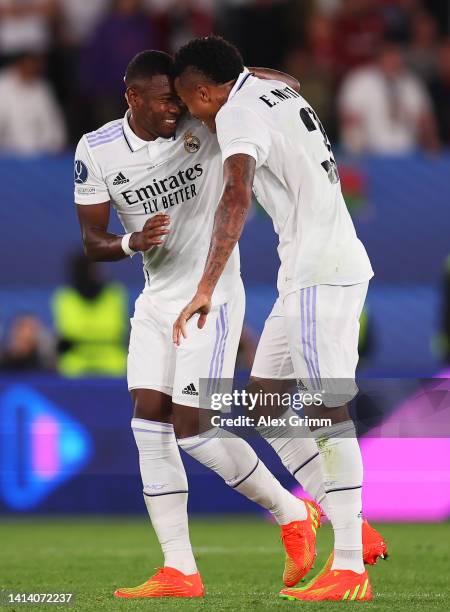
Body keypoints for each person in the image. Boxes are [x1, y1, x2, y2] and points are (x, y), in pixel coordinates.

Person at [74, 49, 323, 600]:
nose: (177, 109)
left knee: (193, 426)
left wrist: (242, 73)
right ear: (132, 96)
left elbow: (288, 82)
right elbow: (92, 243)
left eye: (181, 98)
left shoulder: (206, 123)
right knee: (148, 423)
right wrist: (129, 241)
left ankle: (290, 512)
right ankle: (179, 569)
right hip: (156, 299)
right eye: (166, 100)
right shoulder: (96, 149)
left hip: (212, 295)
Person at [172, 35, 385, 602]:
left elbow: (236, 195)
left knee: (325, 408)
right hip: (304, 271)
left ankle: (348, 569)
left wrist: (206, 285)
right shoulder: (266, 89)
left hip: (323, 271)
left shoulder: (237, 115)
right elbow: (279, 78)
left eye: (187, 101)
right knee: (265, 397)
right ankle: (349, 523)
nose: (187, 115)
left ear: (203, 92)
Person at [338, 42, 439, 154]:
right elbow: (347, 118)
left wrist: (431, 147)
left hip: (408, 153)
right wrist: (358, 149)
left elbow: (425, 120)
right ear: (379, 58)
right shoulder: (360, 80)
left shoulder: (411, 83)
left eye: (395, 58)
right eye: (388, 57)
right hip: (370, 153)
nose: (392, 61)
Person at [52, 253, 128, 377]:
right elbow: (68, 331)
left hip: (114, 366)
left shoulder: (115, 294)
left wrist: (83, 336)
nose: (99, 272)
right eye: (93, 268)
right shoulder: (65, 297)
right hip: (74, 367)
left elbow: (115, 330)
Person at [0, 51, 66, 155]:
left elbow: (54, 124)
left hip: (41, 154)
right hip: (8, 155)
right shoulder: (3, 86)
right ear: (20, 65)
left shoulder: (43, 89)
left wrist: (54, 145)